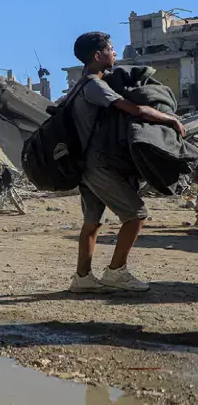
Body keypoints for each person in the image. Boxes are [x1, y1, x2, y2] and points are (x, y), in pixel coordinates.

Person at [68, 32, 184, 293]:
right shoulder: (94, 87)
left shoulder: (78, 86)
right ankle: (116, 271)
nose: (115, 53)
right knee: (136, 214)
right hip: (99, 165)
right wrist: (170, 120)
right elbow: (135, 110)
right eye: (111, 49)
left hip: (83, 166)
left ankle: (82, 278)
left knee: (92, 223)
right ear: (98, 56)